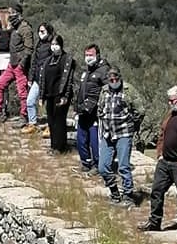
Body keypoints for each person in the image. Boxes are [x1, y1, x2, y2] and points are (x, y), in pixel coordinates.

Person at [137, 85, 177, 237]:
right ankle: (154, 221)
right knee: (156, 191)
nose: (169, 103)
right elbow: (162, 134)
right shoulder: (170, 114)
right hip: (165, 162)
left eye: (172, 100)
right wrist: (160, 153)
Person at [96, 68, 145, 207]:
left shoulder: (129, 90)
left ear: (120, 77)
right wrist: (103, 119)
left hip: (124, 133)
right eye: (110, 79)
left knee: (123, 166)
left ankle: (128, 195)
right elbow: (100, 108)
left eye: (116, 78)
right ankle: (114, 192)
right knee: (103, 166)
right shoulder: (104, 90)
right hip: (108, 133)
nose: (113, 81)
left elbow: (140, 111)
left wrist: (133, 125)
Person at [73, 44, 111, 176]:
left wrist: (100, 108)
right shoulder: (87, 71)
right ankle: (85, 163)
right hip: (83, 111)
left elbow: (107, 90)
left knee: (95, 140)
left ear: (98, 55)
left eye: (91, 55)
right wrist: (77, 108)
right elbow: (81, 91)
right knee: (81, 139)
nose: (88, 58)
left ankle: (97, 164)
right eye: (86, 55)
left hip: (95, 113)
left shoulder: (104, 70)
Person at [0, 2, 33, 126]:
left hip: (19, 65)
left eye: (12, 13)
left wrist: (22, 64)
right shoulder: (15, 28)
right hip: (12, 64)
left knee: (22, 92)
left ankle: (23, 116)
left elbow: (29, 49)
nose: (9, 15)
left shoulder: (25, 29)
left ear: (19, 14)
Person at [38, 35, 75, 154]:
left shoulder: (67, 59)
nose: (54, 47)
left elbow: (68, 80)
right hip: (49, 94)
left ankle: (60, 147)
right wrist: (41, 96)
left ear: (61, 45)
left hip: (61, 94)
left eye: (56, 44)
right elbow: (43, 79)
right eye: (52, 44)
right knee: (51, 120)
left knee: (59, 120)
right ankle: (53, 145)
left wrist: (65, 96)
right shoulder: (48, 61)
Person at [23, 22, 55, 134]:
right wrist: (31, 78)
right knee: (30, 101)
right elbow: (34, 63)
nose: (40, 34)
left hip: (48, 80)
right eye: (39, 31)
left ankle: (50, 126)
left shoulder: (53, 45)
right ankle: (32, 124)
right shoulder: (39, 44)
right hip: (37, 79)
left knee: (48, 105)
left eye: (43, 31)